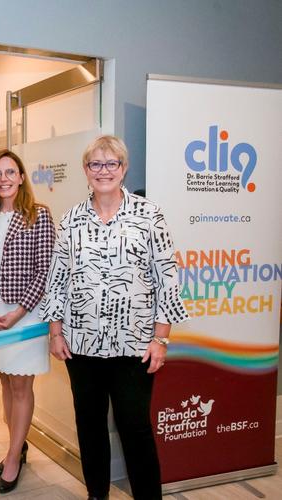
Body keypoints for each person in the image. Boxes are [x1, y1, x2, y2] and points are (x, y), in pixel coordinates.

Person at [40, 135, 189, 500]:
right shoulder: (71, 219)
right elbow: (57, 278)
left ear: (123, 169)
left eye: (111, 164)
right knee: (89, 426)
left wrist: (161, 339)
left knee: (134, 428)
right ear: (85, 171)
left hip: (135, 346)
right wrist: (55, 332)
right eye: (95, 164)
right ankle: (96, 495)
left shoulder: (148, 215)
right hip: (82, 346)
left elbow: (167, 279)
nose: (103, 171)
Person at [0, 149, 55, 494]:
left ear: (21, 177)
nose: (3, 179)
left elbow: (45, 270)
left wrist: (19, 312)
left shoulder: (39, 216)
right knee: (5, 383)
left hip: (25, 316)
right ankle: (17, 443)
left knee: (21, 387)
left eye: (10, 172)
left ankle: (13, 457)